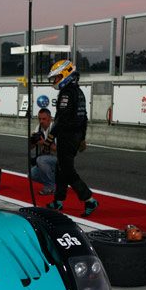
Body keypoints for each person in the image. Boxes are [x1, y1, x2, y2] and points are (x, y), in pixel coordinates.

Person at [44, 60, 99, 218]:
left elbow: (61, 118)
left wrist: (50, 137)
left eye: (56, 77)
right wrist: (82, 138)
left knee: (67, 170)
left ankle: (89, 199)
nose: (54, 81)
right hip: (75, 135)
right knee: (61, 168)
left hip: (67, 136)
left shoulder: (67, 93)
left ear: (65, 75)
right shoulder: (79, 92)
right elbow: (84, 117)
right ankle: (58, 200)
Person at [29, 108, 57, 195]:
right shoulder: (38, 128)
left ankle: (50, 186)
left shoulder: (55, 129)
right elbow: (31, 148)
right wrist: (33, 141)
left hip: (58, 158)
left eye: (44, 119)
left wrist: (44, 142)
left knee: (41, 160)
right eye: (39, 119)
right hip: (45, 158)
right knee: (31, 175)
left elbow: (58, 149)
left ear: (50, 119)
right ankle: (54, 181)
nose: (41, 121)